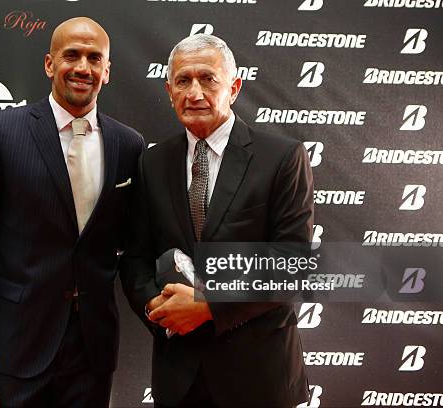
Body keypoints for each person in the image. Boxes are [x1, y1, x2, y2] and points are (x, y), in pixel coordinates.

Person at [0, 17, 144, 407]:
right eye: (71, 55)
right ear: (49, 63)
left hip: (93, 347)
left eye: (95, 58)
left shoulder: (129, 144)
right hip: (17, 343)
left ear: (107, 71)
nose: (82, 67)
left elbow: (133, 245)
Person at [120, 34, 313, 407]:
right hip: (179, 378)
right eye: (183, 81)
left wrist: (208, 306)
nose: (194, 93)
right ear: (169, 90)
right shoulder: (152, 163)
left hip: (259, 378)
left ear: (234, 87)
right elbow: (135, 260)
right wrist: (159, 311)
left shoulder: (282, 157)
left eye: (207, 79)